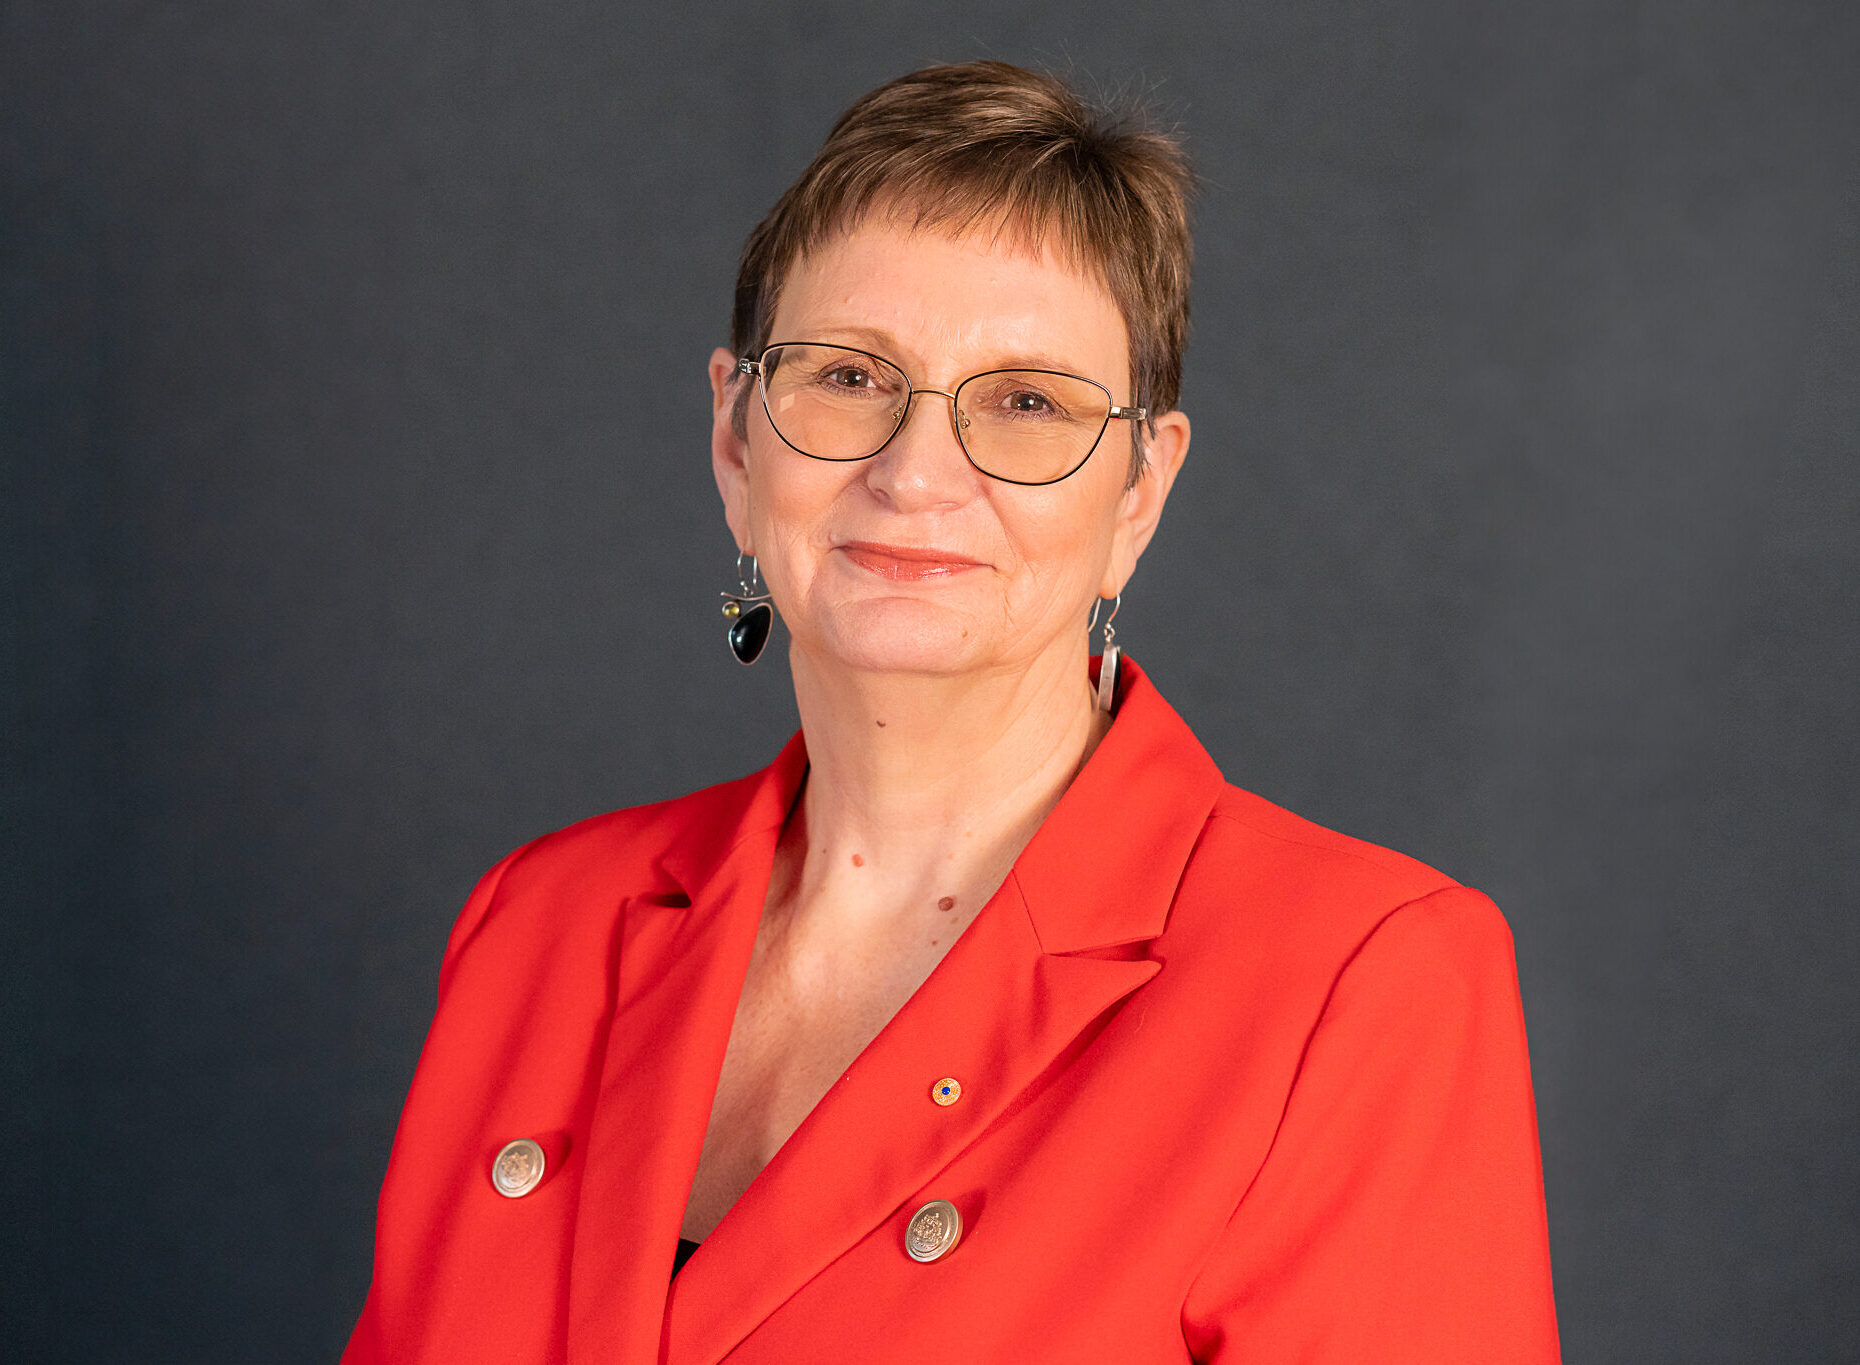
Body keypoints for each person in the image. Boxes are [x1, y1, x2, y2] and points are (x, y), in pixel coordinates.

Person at [342, 60, 1560, 1363]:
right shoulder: (542, 924)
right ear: (736, 442)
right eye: (851, 377)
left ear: (1139, 494)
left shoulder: (1358, 984)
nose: (917, 472)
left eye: (1028, 402)